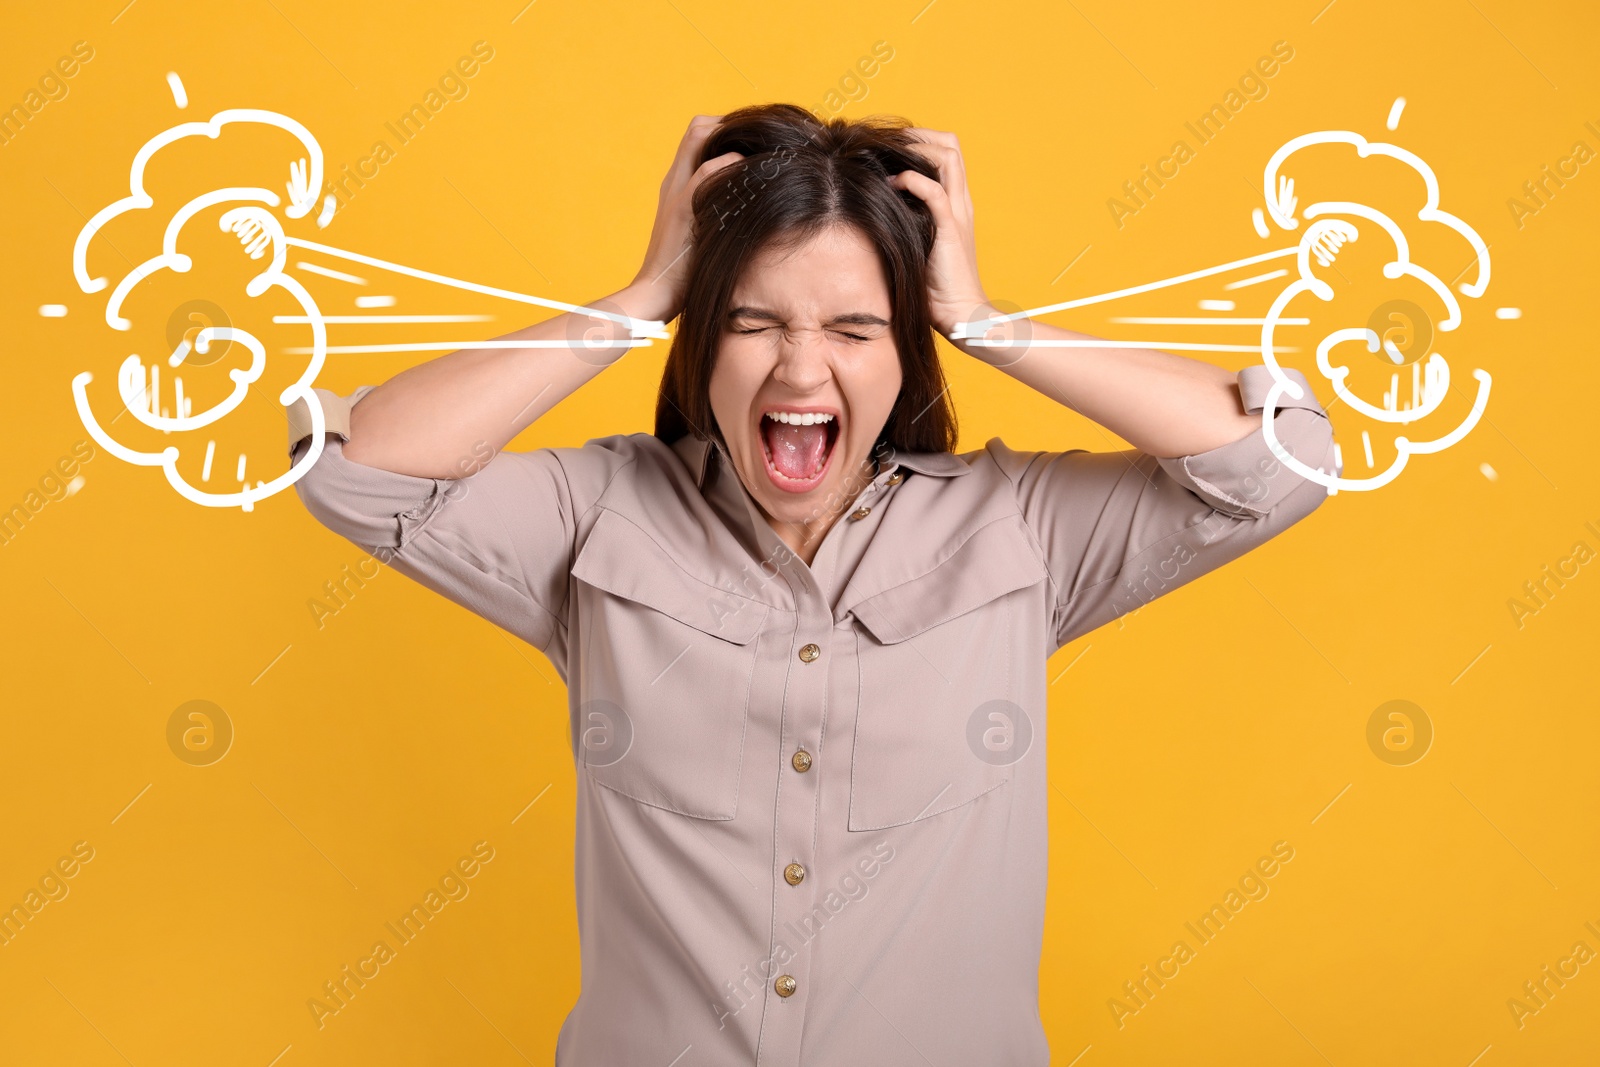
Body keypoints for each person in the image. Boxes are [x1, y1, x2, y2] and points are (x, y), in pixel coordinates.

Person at [288, 103, 1336, 1065]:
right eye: (752, 322)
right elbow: (353, 467)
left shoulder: (1019, 528)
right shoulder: (595, 517)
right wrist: (645, 293)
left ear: (908, 348)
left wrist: (982, 320)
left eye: (852, 328)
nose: (799, 370)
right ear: (702, 343)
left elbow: (1278, 465)